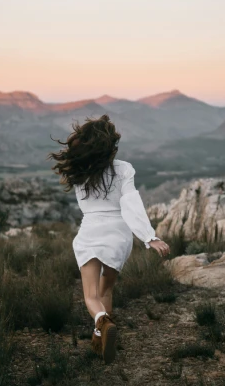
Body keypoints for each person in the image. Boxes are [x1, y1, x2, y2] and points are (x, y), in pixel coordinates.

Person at [49, 114, 170, 364]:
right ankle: (102, 338)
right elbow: (130, 202)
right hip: (119, 235)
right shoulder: (123, 169)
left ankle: (102, 324)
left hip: (90, 232)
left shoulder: (79, 171)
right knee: (106, 289)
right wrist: (149, 237)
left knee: (91, 296)